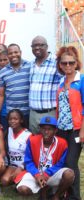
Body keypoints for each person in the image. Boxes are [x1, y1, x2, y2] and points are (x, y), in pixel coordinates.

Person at [16, 116, 75, 200]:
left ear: (55, 131)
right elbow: (28, 161)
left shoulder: (62, 143)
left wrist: (47, 174)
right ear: (40, 129)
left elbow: (60, 164)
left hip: (51, 175)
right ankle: (43, 190)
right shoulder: (32, 140)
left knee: (69, 174)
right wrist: (37, 174)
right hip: (35, 174)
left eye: (50, 129)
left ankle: (56, 196)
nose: (46, 132)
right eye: (43, 129)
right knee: (22, 189)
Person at [56, 46, 83, 200]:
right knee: (64, 163)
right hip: (61, 129)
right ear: (60, 64)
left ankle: (75, 197)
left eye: (71, 63)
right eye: (64, 63)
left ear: (76, 63)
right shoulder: (61, 82)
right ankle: (65, 193)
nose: (67, 66)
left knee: (71, 163)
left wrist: (82, 131)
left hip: (75, 129)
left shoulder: (82, 81)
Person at [29, 36, 62, 134]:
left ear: (47, 47)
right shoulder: (31, 64)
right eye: (34, 46)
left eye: (41, 45)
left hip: (50, 113)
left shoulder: (57, 62)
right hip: (33, 114)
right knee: (36, 143)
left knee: (51, 142)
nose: (37, 48)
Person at [0, 44, 31, 128]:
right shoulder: (2, 72)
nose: (13, 55)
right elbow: (0, 95)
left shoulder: (30, 66)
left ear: (20, 52)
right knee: (11, 139)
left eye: (16, 52)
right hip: (11, 115)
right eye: (10, 53)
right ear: (8, 55)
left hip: (27, 113)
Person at [0, 109, 32, 186]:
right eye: (10, 119)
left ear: (21, 120)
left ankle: (23, 179)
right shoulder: (8, 131)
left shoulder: (28, 135)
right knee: (4, 181)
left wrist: (22, 167)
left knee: (21, 184)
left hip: (24, 165)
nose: (12, 121)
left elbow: (32, 156)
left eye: (15, 119)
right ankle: (16, 180)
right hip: (12, 165)